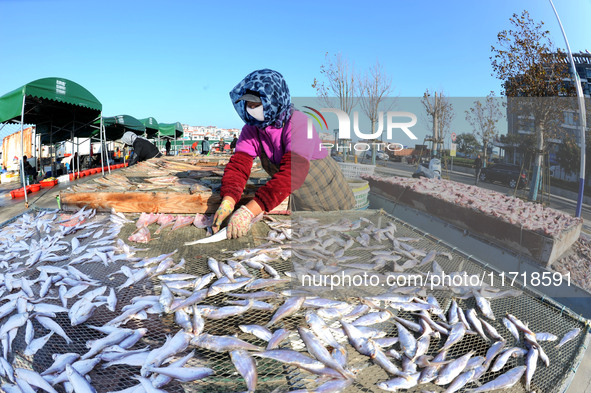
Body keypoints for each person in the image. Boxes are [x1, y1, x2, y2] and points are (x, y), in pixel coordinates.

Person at [211, 69, 355, 239]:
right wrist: (229, 199)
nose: (251, 110)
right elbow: (239, 165)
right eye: (249, 105)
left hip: (328, 195)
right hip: (295, 196)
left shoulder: (299, 123)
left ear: (273, 100)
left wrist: (249, 210)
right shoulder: (252, 128)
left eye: (257, 104)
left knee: (335, 238)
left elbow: (292, 174)